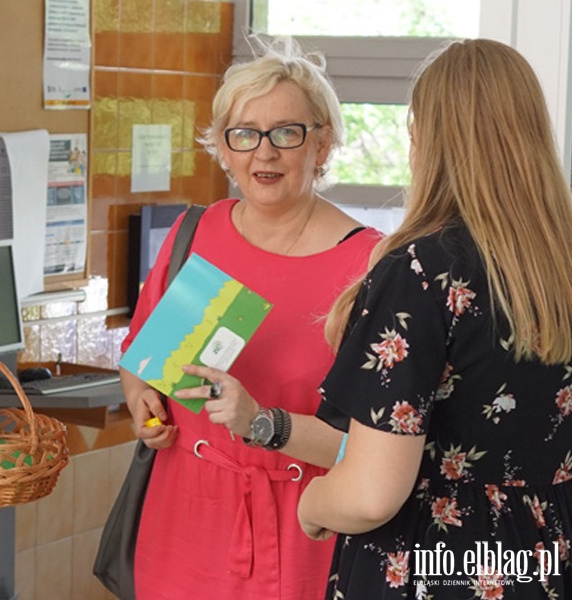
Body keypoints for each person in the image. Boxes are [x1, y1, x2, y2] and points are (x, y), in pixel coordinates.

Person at [297, 39, 572, 599]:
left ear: (424, 138)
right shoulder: (560, 264)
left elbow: (371, 493)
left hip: (436, 565)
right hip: (548, 557)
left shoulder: (422, 270)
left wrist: (315, 502)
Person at [119, 36, 381, 600]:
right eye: (244, 134)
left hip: (306, 525)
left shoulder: (371, 263)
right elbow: (143, 359)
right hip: (181, 515)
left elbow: (375, 448)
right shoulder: (196, 233)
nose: (264, 153)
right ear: (222, 146)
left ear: (323, 144)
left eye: (286, 133)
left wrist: (261, 420)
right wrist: (142, 401)